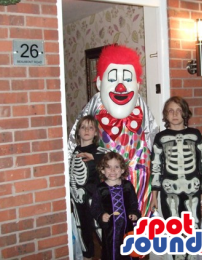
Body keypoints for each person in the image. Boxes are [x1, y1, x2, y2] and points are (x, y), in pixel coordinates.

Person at [68, 45, 159, 217]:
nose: (120, 87)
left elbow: (154, 140)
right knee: (110, 218)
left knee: (139, 217)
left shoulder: (141, 106)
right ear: (100, 83)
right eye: (112, 79)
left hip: (139, 174)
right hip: (107, 175)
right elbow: (76, 134)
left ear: (138, 84)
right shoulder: (96, 103)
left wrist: (158, 180)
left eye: (127, 79)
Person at [150, 96, 202, 231]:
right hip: (169, 189)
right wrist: (154, 195)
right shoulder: (160, 137)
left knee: (193, 226)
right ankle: (176, 251)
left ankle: (192, 251)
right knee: (172, 228)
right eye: (171, 111)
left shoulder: (195, 134)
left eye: (179, 110)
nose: (175, 114)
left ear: (185, 113)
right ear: (166, 115)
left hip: (193, 188)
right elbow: (156, 167)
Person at [91, 151, 141, 260]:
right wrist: (101, 215)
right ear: (102, 170)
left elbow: (133, 203)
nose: (112, 170)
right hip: (110, 230)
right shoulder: (100, 188)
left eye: (116, 167)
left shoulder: (127, 186)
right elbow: (95, 207)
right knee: (111, 252)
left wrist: (134, 213)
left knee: (129, 252)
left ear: (122, 170)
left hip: (127, 228)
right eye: (108, 167)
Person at [70, 115, 104, 260]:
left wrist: (94, 157)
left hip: (93, 196)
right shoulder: (74, 151)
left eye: (91, 128)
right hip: (77, 199)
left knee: (100, 227)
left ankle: (114, 253)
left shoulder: (99, 150)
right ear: (78, 132)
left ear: (96, 132)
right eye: (83, 127)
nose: (86, 130)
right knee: (82, 229)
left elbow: (113, 160)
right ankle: (87, 256)